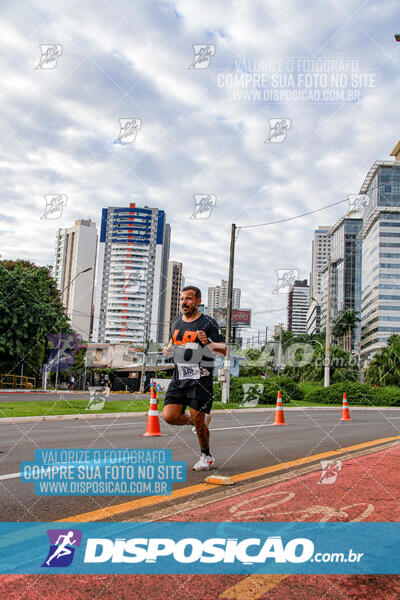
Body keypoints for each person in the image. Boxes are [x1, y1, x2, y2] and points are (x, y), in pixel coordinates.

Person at [162, 286, 226, 471]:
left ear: (198, 301)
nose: (184, 302)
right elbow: (171, 344)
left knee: (198, 416)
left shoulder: (209, 323)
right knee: (169, 416)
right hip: (179, 377)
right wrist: (167, 350)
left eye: (189, 299)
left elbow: (223, 350)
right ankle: (199, 421)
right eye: (182, 298)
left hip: (201, 379)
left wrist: (207, 342)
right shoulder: (175, 322)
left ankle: (206, 456)